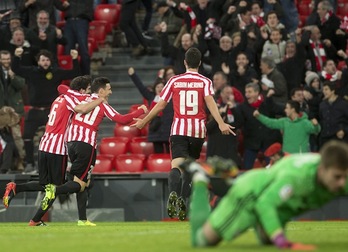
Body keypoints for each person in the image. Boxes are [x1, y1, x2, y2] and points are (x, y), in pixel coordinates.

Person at [185, 140, 348, 250]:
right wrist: (282, 242)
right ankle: (200, 180)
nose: (342, 183)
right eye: (337, 177)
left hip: (278, 202)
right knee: (202, 242)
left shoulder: (338, 174)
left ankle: (262, 225)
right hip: (253, 194)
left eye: (345, 177)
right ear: (321, 170)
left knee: (267, 242)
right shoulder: (297, 178)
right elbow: (265, 203)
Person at [132, 47, 235, 221]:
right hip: (197, 131)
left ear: (185, 62)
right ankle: (182, 200)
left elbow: (160, 105)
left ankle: (173, 193)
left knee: (176, 166)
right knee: (189, 167)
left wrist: (144, 121)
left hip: (179, 129)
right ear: (200, 63)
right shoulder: (205, 81)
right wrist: (221, 122)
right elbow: (210, 103)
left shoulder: (174, 80)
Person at [2, 76, 105, 226]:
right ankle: (35, 219)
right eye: (88, 89)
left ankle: (17, 190)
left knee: (46, 184)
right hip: (57, 148)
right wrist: (99, 98)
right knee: (55, 188)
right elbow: (82, 108)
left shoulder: (59, 99)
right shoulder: (76, 99)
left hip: (44, 145)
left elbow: (61, 89)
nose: (89, 93)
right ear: (82, 90)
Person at [40, 77, 148, 212]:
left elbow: (61, 88)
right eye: (109, 89)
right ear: (101, 91)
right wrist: (141, 110)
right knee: (81, 183)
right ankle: (55, 189)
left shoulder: (82, 98)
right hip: (86, 145)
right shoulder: (101, 104)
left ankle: (81, 219)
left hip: (70, 144)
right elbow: (121, 119)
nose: (111, 92)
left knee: (81, 181)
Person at [12, 47, 80, 173]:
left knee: (61, 136)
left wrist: (75, 58)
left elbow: (74, 72)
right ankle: (30, 163)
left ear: (51, 61)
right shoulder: (32, 71)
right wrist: (16, 56)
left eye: (47, 60)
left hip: (52, 111)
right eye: (42, 60)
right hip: (35, 110)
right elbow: (16, 69)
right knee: (27, 136)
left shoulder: (56, 72)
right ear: (38, 61)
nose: (45, 62)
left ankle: (63, 161)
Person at [254, 100, 321, 154]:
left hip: (300, 157)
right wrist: (259, 116)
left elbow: (316, 130)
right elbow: (271, 123)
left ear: (293, 109)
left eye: (287, 108)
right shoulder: (284, 121)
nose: (285, 110)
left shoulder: (305, 123)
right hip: (286, 156)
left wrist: (316, 125)